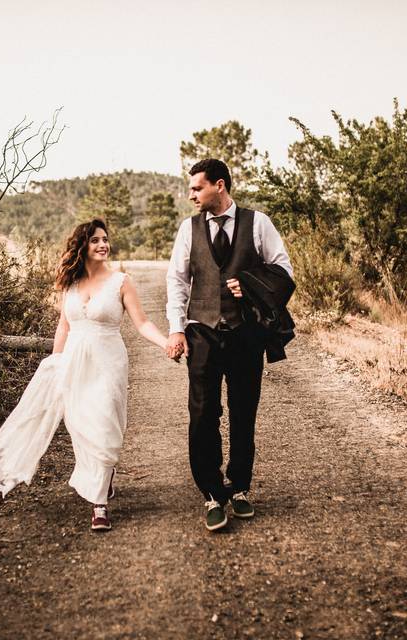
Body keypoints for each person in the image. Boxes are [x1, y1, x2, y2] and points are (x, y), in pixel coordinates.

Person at [0, 219, 168, 531]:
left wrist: (167, 342)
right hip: (73, 363)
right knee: (81, 427)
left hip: (108, 363)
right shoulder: (70, 285)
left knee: (103, 426)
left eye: (105, 239)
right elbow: (64, 326)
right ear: (82, 247)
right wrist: (55, 364)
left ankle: (99, 505)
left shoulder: (121, 282)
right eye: (95, 240)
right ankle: (102, 479)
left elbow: (142, 323)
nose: (103, 245)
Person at [165, 158, 293, 532]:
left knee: (243, 410)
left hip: (245, 333)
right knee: (203, 414)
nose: (191, 195)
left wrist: (249, 283)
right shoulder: (188, 230)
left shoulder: (259, 223)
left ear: (219, 185)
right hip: (201, 331)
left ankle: (239, 487)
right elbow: (177, 281)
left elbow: (283, 271)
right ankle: (211, 493)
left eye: (197, 188)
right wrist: (176, 330)